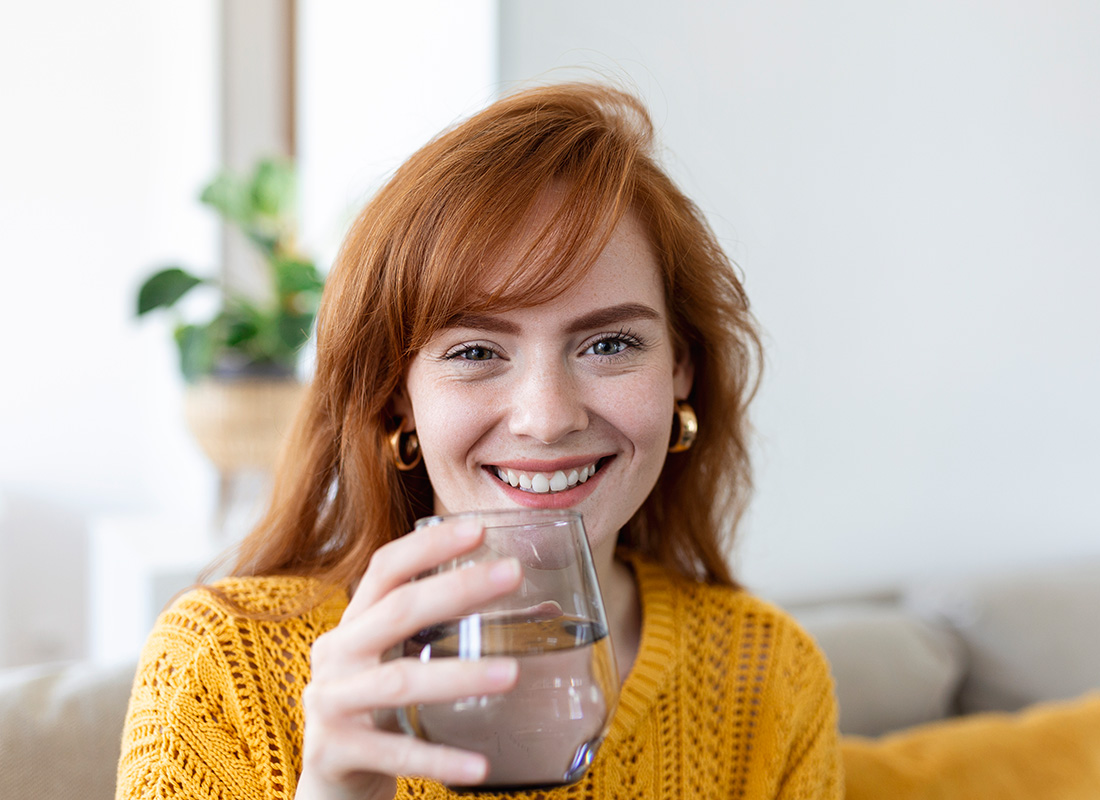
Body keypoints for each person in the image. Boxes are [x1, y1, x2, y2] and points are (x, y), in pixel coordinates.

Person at [116, 82, 842, 799]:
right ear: (399, 395)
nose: (546, 416)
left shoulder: (771, 678)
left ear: (681, 369)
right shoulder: (220, 669)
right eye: (473, 352)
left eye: (611, 343)